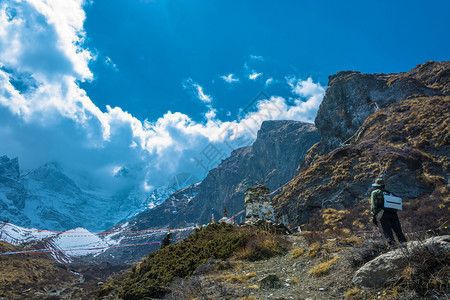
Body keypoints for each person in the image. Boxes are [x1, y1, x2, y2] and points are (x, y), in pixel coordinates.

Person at [371, 178, 407, 245]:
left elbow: (374, 205)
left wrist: (374, 216)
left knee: (388, 232)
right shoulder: (390, 193)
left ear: (376, 186)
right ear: (383, 185)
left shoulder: (375, 192)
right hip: (394, 213)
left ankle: (393, 247)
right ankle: (404, 245)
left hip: (384, 214)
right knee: (398, 231)